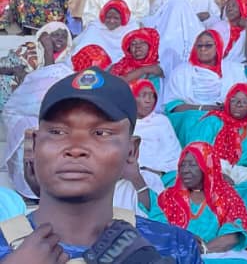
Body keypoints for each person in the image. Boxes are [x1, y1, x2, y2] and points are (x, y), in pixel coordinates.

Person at [0, 67, 203, 263]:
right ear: (34, 146)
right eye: (57, 132)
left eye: (101, 133)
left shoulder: (174, 247)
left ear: (131, 152)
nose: (76, 148)